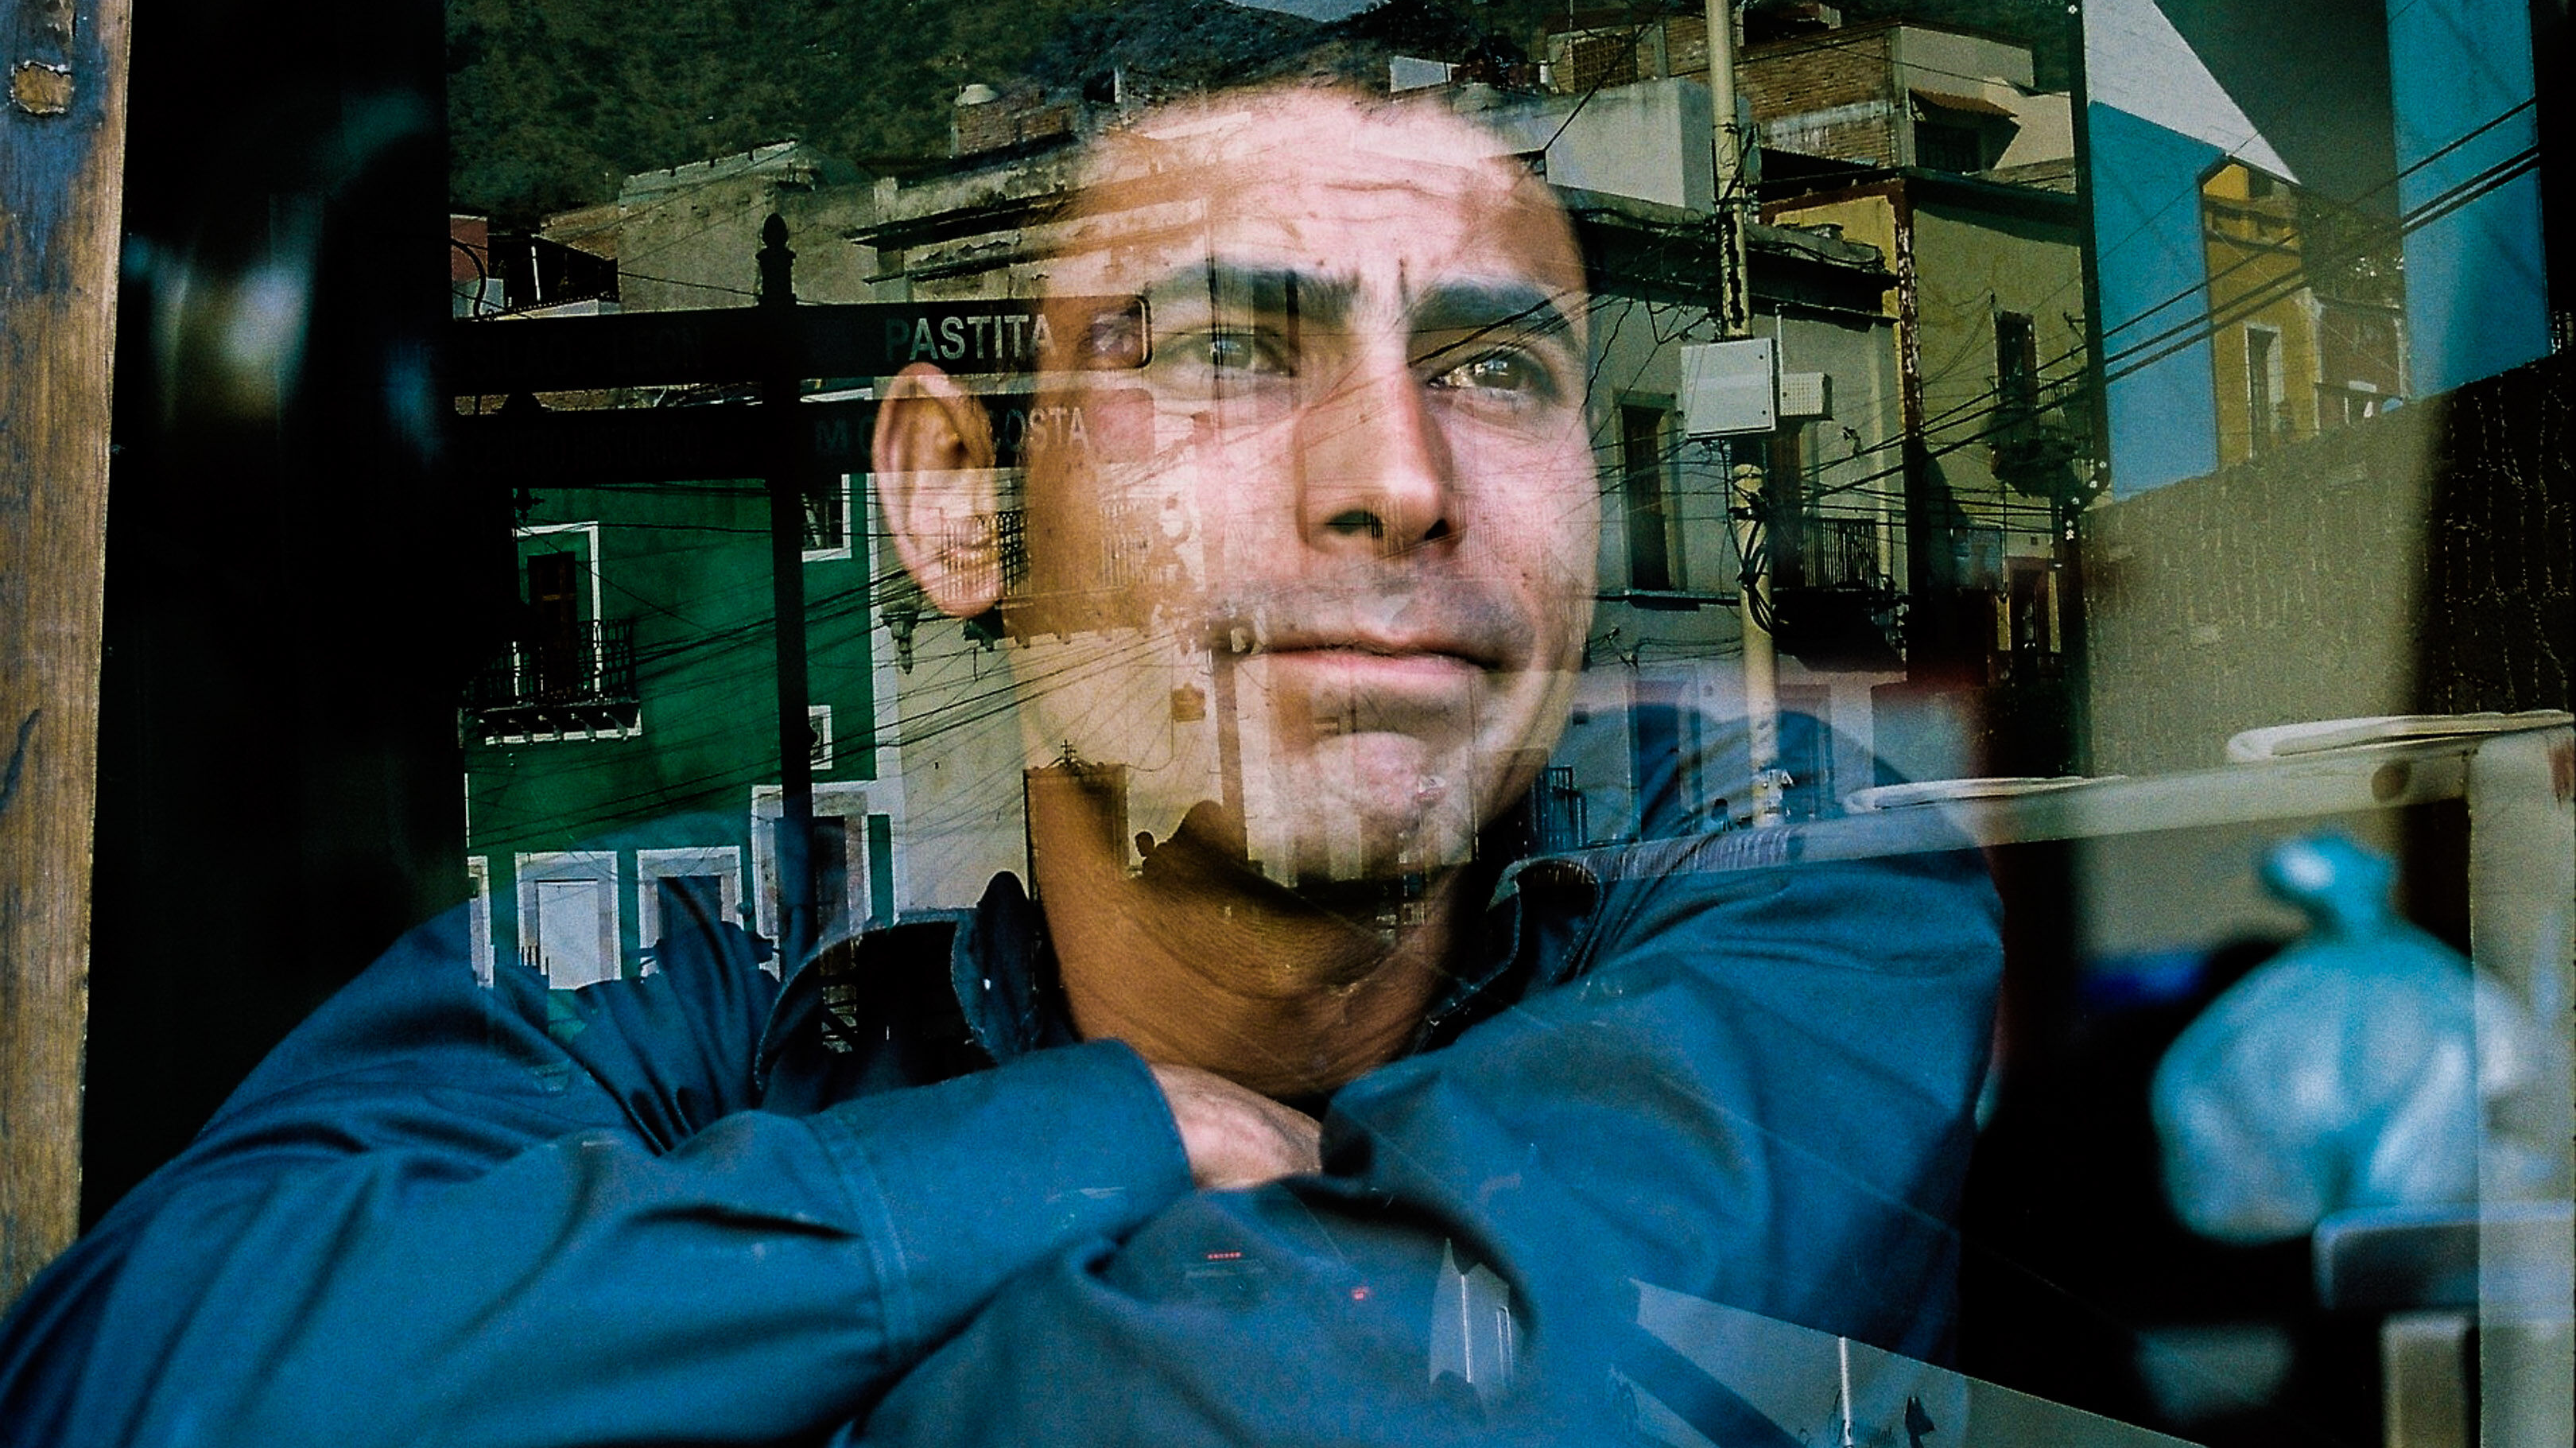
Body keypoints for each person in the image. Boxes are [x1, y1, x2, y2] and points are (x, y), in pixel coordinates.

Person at [0, 86, 1999, 1445]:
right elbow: (140, 1382)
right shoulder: (703, 996)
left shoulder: (1780, 860)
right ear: (957, 505)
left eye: (1499, 372)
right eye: (1227, 348)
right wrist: (1094, 1144)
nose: (1400, 479)